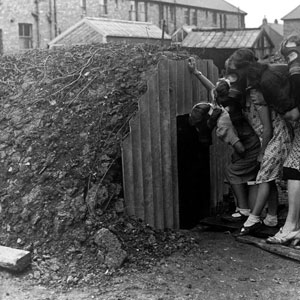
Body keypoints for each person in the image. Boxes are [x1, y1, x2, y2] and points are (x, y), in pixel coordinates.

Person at [223, 49, 292, 236]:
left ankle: (253, 218)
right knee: (268, 178)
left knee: (264, 175)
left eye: (235, 73)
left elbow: (268, 128)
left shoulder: (256, 91)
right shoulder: (245, 92)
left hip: (278, 136)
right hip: (270, 137)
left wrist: (262, 152)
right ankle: (271, 217)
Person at [188, 57, 260, 221]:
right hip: (252, 139)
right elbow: (212, 88)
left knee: (232, 171)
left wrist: (238, 154)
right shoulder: (216, 106)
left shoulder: (222, 127)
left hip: (251, 145)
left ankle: (243, 211)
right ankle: (250, 209)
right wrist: (196, 72)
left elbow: (241, 148)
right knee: (249, 175)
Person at [266, 34, 300, 244]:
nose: (292, 59)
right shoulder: (292, 68)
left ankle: (291, 226)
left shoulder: (295, 69)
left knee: (294, 169)